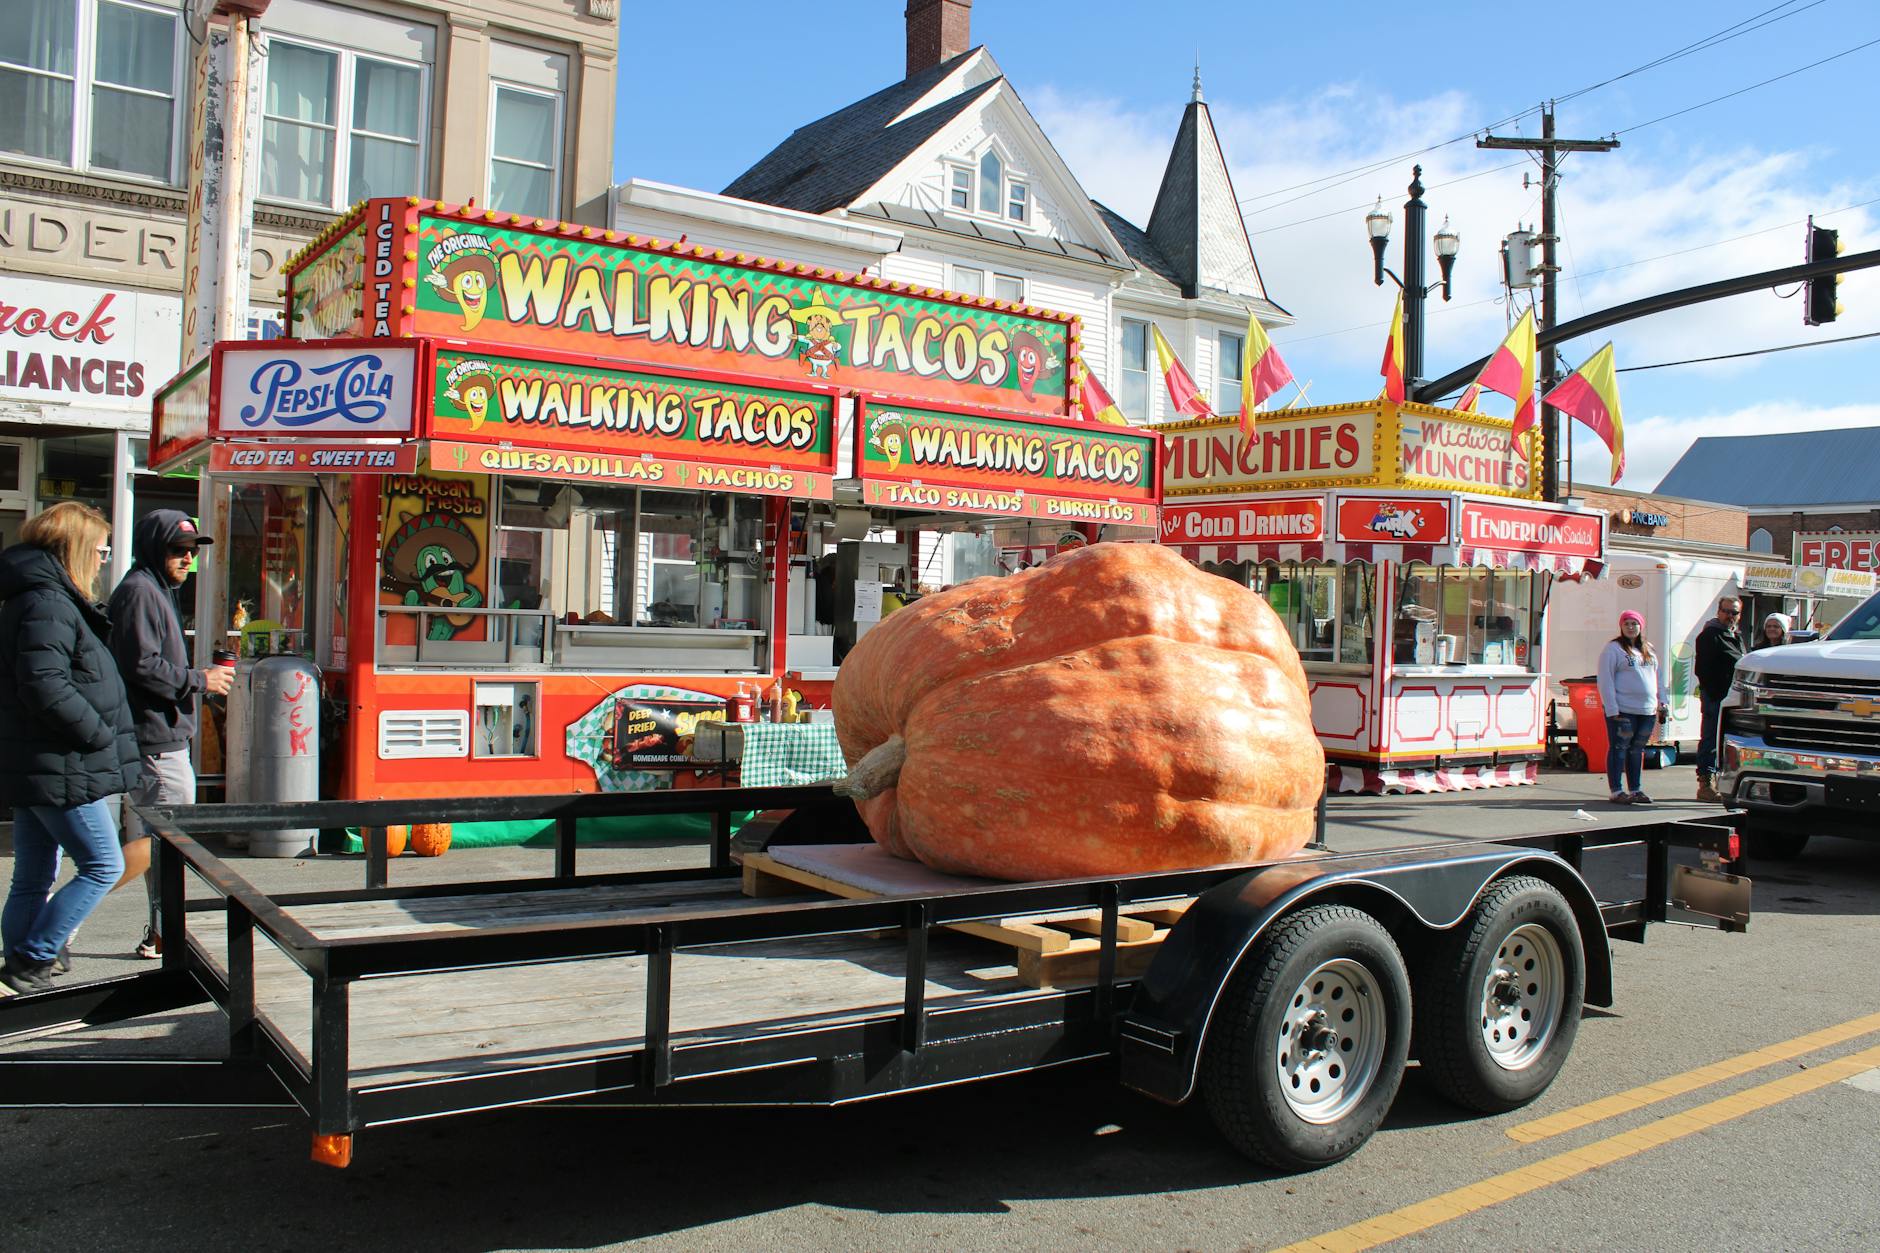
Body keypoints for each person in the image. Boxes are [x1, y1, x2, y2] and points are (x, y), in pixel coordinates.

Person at [0, 502, 140, 994]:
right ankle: (34, 958)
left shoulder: (40, 598)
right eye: (101, 549)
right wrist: (98, 735)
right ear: (76, 549)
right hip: (61, 764)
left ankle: (21, 962)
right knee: (104, 864)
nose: (105, 559)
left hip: (43, 762)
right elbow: (45, 685)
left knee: (34, 873)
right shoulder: (49, 602)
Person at [109, 511, 234, 959]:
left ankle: (161, 934)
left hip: (157, 738)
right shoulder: (141, 591)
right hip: (155, 740)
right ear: (152, 550)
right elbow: (141, 665)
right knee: (168, 843)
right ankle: (71, 907)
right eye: (177, 551)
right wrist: (200, 679)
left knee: (161, 847)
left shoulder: (154, 589)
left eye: (191, 552)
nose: (187, 559)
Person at [1596, 609, 1668, 806]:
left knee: (1637, 750)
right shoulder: (1613, 649)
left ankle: (1635, 789)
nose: (1630, 627)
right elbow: (1605, 680)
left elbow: (1658, 678)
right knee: (1619, 748)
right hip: (1623, 710)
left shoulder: (1649, 650)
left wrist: (1663, 702)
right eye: (1626, 623)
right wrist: (1612, 708)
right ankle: (1616, 790)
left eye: (1634, 623)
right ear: (1621, 626)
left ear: (1640, 626)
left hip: (1647, 710)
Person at [1693, 595, 1745, 804]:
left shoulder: (1736, 637)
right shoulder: (1710, 635)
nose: (1730, 616)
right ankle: (1705, 784)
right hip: (1717, 698)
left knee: (1727, 743)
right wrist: (1716, 695)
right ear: (1718, 612)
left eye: (1734, 612)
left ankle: (1725, 783)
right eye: (1726, 611)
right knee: (1710, 741)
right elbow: (1702, 670)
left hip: (1734, 699)